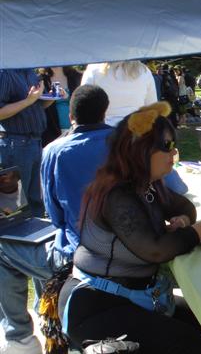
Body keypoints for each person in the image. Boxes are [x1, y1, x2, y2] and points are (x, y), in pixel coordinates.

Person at [57, 101, 201, 354]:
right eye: (166, 146)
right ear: (139, 149)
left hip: (130, 295)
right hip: (95, 305)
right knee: (182, 342)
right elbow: (156, 251)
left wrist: (183, 220)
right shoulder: (117, 194)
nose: (174, 152)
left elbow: (185, 207)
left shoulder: (145, 185)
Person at [41, 84, 112, 269]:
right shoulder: (129, 142)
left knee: (6, 252)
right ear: (104, 113)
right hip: (130, 247)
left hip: (79, 251)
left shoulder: (53, 152)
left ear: (71, 117)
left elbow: (55, 216)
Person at [0, 168, 50, 354]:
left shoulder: (60, 155)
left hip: (79, 254)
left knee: (2, 249)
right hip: (109, 250)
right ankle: (45, 314)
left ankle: (20, 339)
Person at [0, 68, 56, 217]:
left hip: (35, 142)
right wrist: (28, 101)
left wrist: (52, 98)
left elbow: (36, 104)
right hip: (15, 144)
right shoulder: (4, 73)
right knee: (16, 208)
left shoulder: (29, 70)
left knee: (35, 201)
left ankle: (36, 229)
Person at [81, 61, 157, 127]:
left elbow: (82, 105)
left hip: (103, 131)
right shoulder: (144, 71)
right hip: (135, 131)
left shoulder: (93, 69)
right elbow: (152, 107)